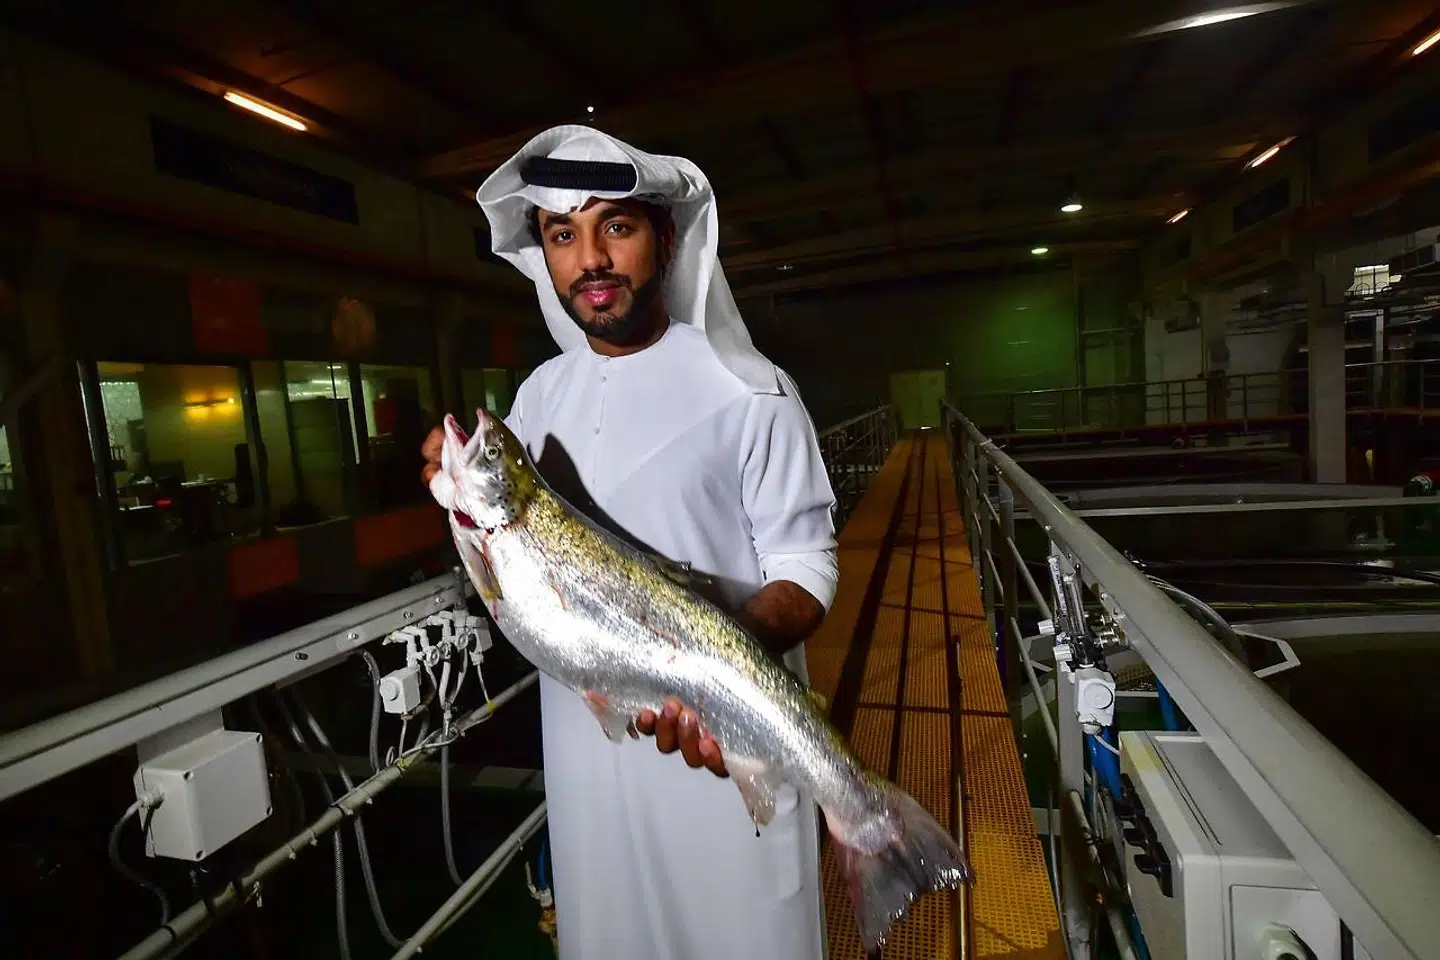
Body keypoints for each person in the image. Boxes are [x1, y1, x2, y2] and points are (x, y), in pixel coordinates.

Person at [419, 126, 839, 959]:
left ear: (666, 239)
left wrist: (716, 673)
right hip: (586, 765)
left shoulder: (751, 389)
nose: (591, 260)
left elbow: (808, 567)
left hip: (722, 756)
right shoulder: (537, 396)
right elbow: (511, 560)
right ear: (542, 254)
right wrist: (452, 488)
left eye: (617, 226)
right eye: (562, 235)